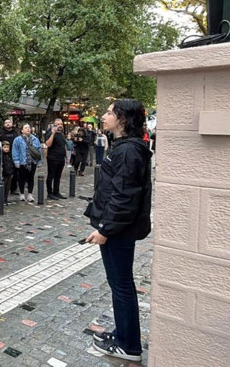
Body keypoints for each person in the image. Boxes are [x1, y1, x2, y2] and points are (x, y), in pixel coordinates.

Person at [86, 99, 152, 363]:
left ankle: (128, 345)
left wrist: (105, 229)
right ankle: (124, 335)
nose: (104, 116)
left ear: (123, 119)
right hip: (118, 229)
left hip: (118, 231)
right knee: (120, 284)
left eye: (109, 112)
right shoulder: (126, 147)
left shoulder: (128, 151)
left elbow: (124, 196)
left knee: (121, 285)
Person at [12, 123, 42, 203]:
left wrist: (39, 161)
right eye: (26, 128)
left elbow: (39, 150)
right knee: (22, 178)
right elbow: (15, 151)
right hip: (23, 162)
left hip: (32, 161)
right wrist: (16, 161)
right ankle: (22, 194)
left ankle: (30, 194)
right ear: (22, 130)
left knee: (31, 178)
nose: (28, 129)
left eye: (29, 127)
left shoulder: (35, 139)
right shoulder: (17, 140)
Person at [45, 118, 68, 200]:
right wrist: (52, 133)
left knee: (58, 176)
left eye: (61, 124)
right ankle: (49, 193)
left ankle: (56, 192)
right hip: (53, 158)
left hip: (61, 158)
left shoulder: (62, 134)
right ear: (54, 125)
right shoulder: (50, 133)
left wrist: (67, 157)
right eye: (58, 124)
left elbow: (63, 146)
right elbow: (48, 144)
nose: (60, 126)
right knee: (51, 176)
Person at [0, 119, 20, 194]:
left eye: (9, 122)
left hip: (14, 154)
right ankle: (4, 189)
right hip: (4, 155)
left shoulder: (16, 132)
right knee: (5, 172)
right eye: (6, 122)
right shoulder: (0, 132)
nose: (7, 124)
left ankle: (13, 188)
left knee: (15, 173)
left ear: (12, 123)